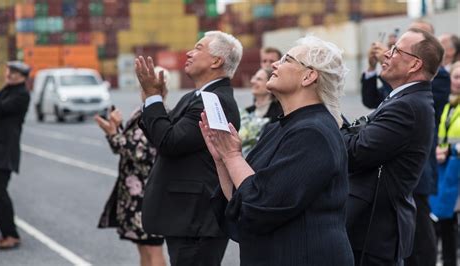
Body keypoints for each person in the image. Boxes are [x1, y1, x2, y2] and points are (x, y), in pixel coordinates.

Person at [200, 35, 353, 265]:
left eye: (286, 59)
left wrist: (233, 156)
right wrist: (222, 159)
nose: (274, 64)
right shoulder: (279, 128)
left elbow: (261, 202)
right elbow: (243, 200)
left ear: (309, 76)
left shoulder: (314, 133)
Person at [134, 31, 242, 266]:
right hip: (188, 218)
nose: (189, 53)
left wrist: (153, 97)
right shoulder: (197, 96)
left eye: (198, 48)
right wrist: (154, 100)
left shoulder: (216, 100)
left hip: (196, 220)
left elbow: (169, 142)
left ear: (216, 61)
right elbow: (163, 136)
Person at [342, 28, 444, 265]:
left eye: (396, 50)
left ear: (414, 65)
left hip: (374, 233)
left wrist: (332, 122)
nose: (386, 54)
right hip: (375, 229)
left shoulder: (407, 106)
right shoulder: (404, 99)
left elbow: (356, 153)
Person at [95, 67, 169, 266]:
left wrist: (113, 134)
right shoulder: (142, 111)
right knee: (143, 248)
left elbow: (141, 153)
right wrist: (115, 129)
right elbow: (124, 149)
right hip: (134, 193)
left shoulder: (159, 114)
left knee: (153, 248)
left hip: (146, 192)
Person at [0, 61, 31, 249]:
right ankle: (6, 234)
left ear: (23, 77)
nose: (10, 75)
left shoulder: (21, 95)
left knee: (1, 194)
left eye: (15, 73)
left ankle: (11, 235)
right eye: (9, 71)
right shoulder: (8, 90)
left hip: (5, 151)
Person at [429, 61, 460, 266]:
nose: (458, 82)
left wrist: (450, 150)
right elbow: (443, 136)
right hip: (447, 170)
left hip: (455, 172)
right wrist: (440, 149)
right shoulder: (450, 105)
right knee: (445, 222)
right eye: (456, 76)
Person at [240, 68, 282, 157]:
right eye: (254, 78)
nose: (252, 81)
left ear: (269, 85)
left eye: (258, 79)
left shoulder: (279, 114)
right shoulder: (246, 111)